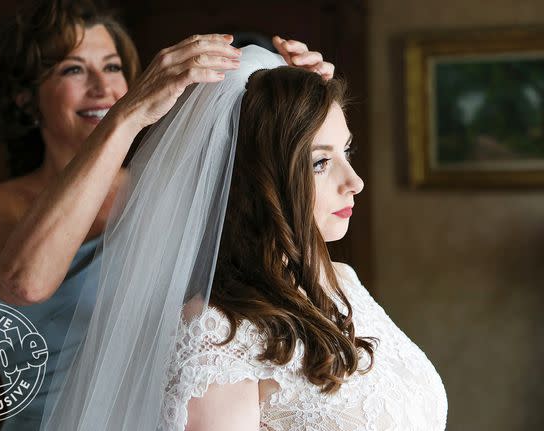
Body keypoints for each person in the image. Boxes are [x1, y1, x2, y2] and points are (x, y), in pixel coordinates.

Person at [0, 1, 335, 429]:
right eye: (72, 70)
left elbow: (288, 245)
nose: (101, 86)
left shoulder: (167, 187)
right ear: (24, 95)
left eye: (112, 67)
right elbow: (26, 284)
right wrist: (128, 115)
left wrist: (308, 109)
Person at [39, 46, 448, 430]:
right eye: (320, 162)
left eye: (347, 152)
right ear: (255, 181)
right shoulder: (218, 336)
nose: (355, 182)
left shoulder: (340, 281)